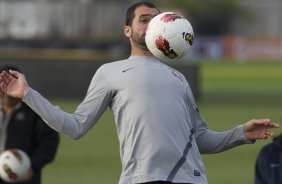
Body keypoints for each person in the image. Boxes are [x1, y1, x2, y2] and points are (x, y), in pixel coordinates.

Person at [0, 2, 280, 184]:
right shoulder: (110, 72)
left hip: (191, 180)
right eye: (144, 20)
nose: (152, 25)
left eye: (157, 20)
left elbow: (200, 140)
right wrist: (27, 94)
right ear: (127, 30)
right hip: (141, 180)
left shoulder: (179, 78)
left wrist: (241, 133)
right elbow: (75, 127)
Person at [0, 66, 59, 184]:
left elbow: (49, 141)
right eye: (3, 87)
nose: (8, 93)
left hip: (24, 177)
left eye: (11, 86)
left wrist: (33, 166)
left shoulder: (35, 112)